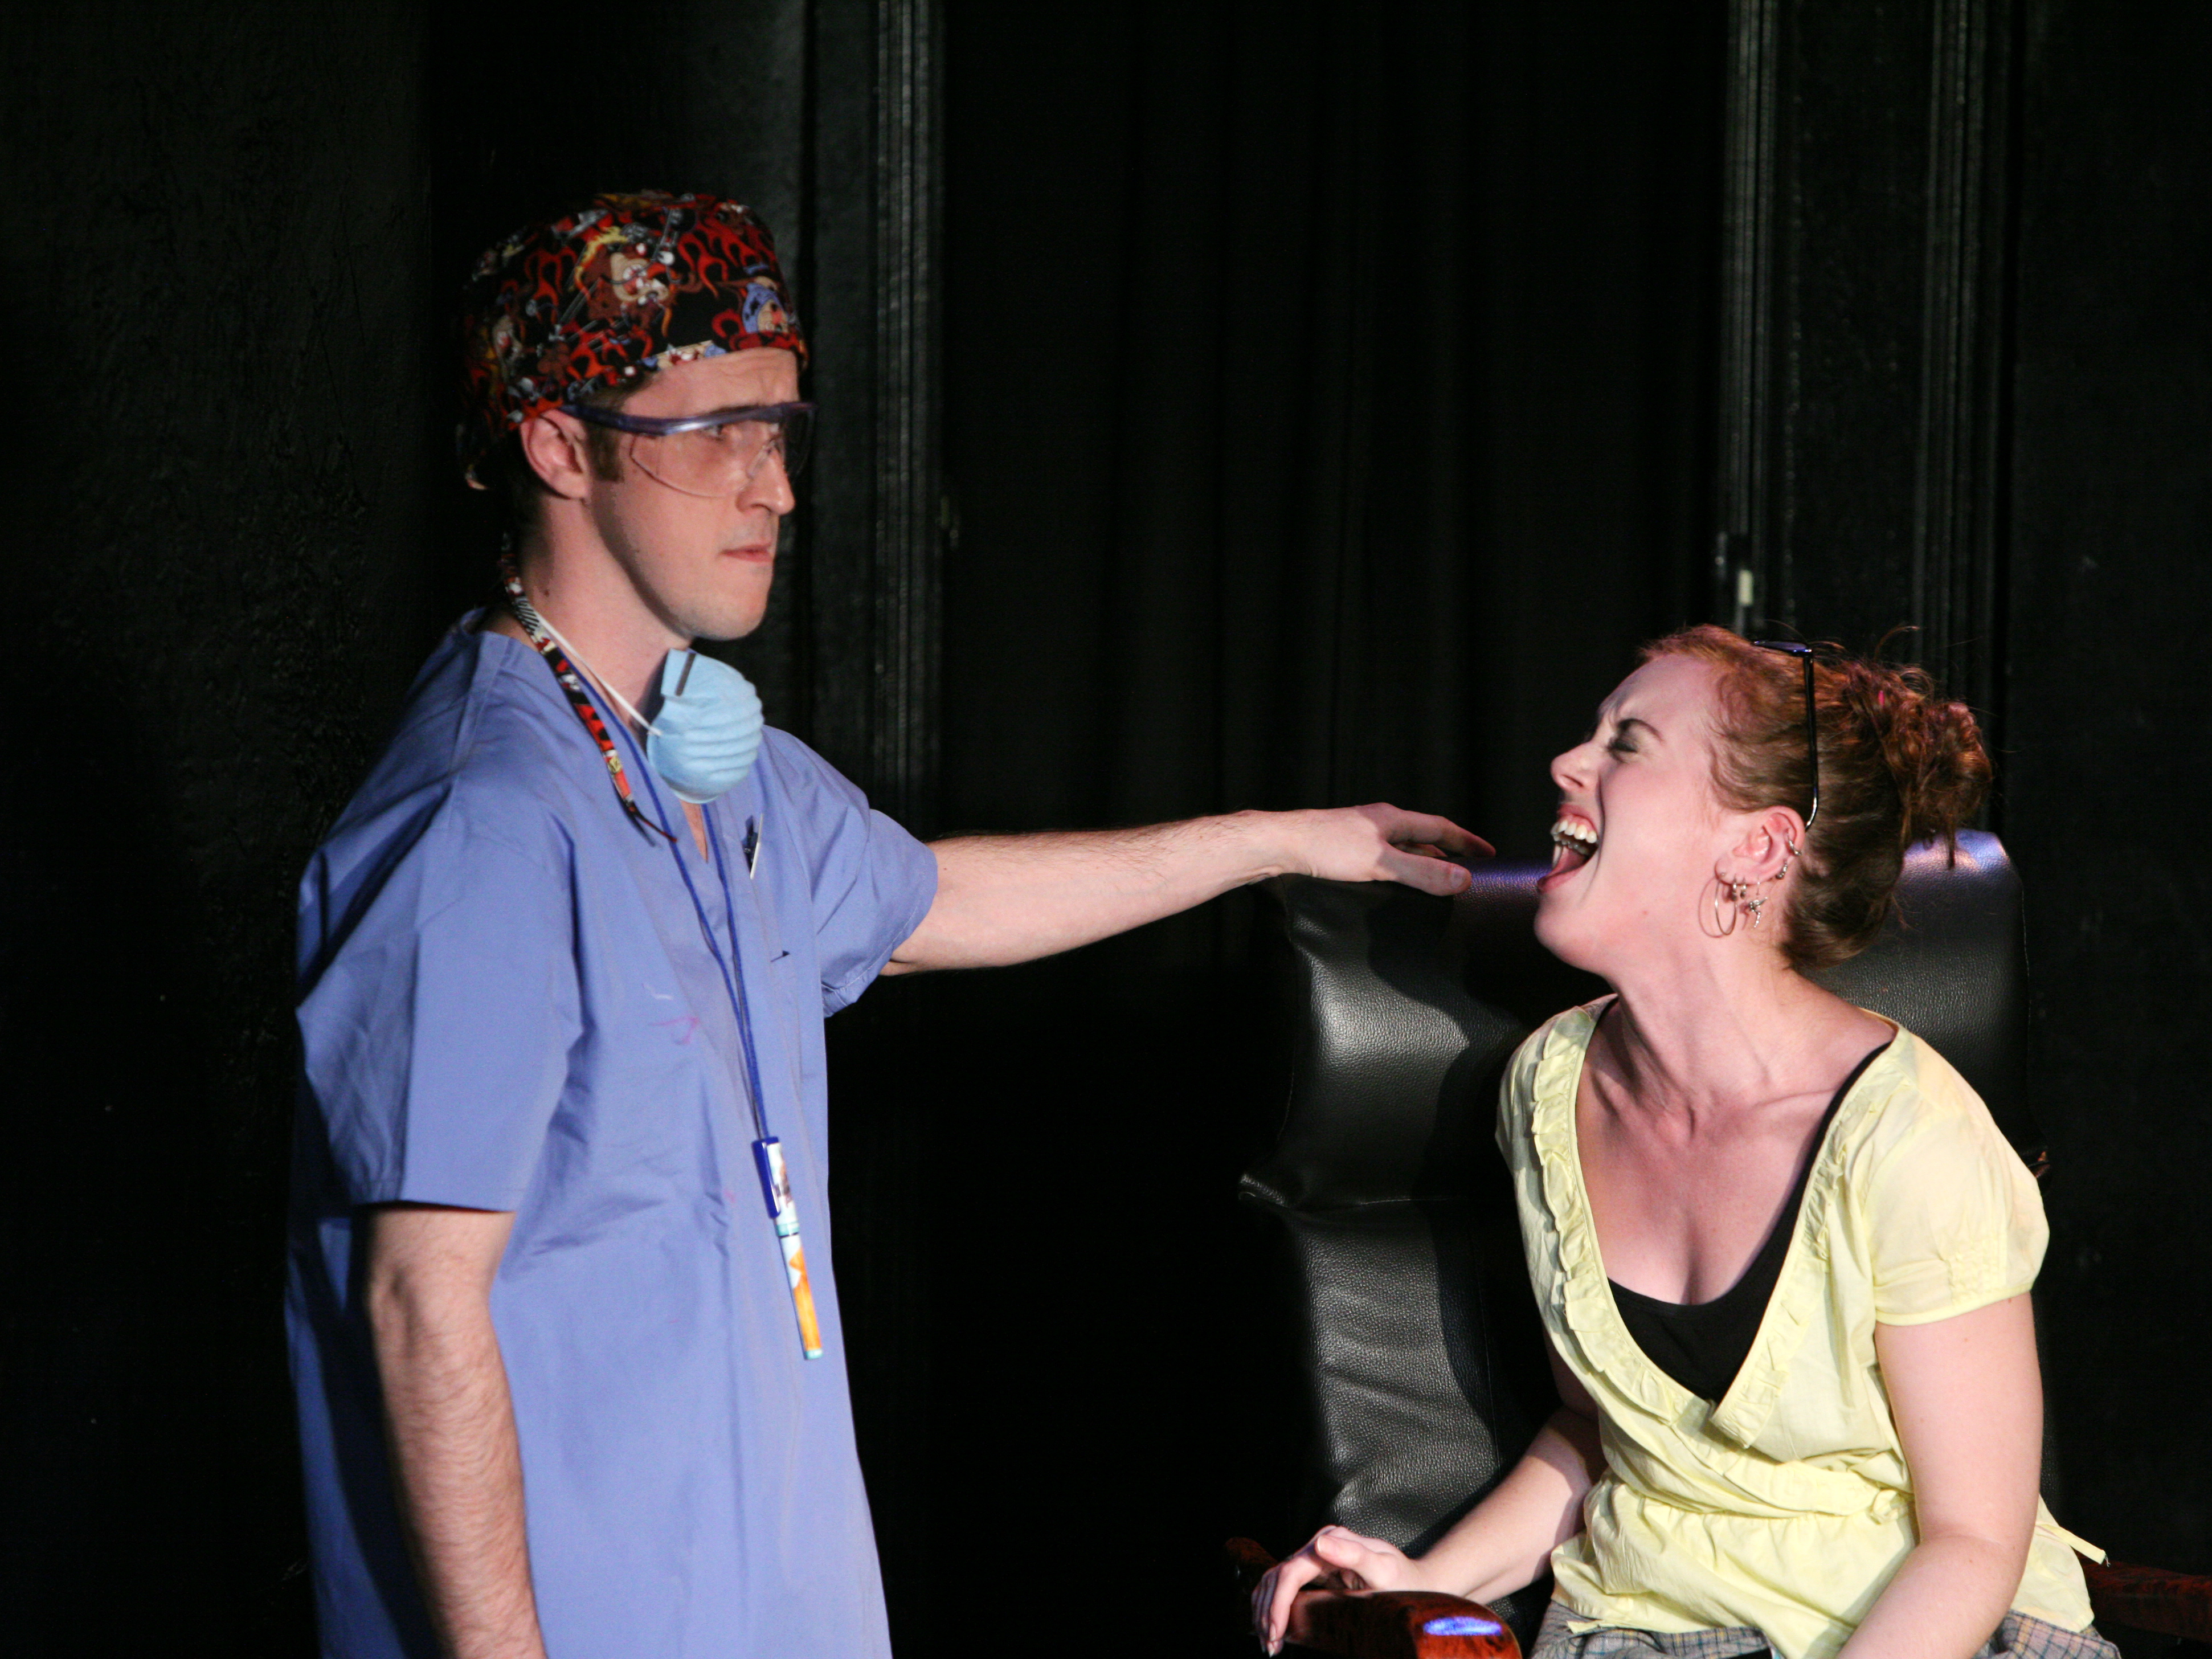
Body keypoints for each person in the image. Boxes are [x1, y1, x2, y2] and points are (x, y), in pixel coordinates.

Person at [284, 191, 1491, 1659]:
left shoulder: (707, 756)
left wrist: (1279, 841)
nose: (775, 490)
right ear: (558, 446)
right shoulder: (484, 822)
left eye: (781, 430)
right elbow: (420, 1305)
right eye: (717, 433)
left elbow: (933, 900)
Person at [1255, 627, 2113, 1659]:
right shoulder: (1549, 1088)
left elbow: (1973, 1542)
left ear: (1757, 848)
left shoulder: (1910, 1138)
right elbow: (1603, 1433)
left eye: (1628, 743)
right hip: (1644, 1629)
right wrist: (1424, 1582)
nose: (1566, 763)